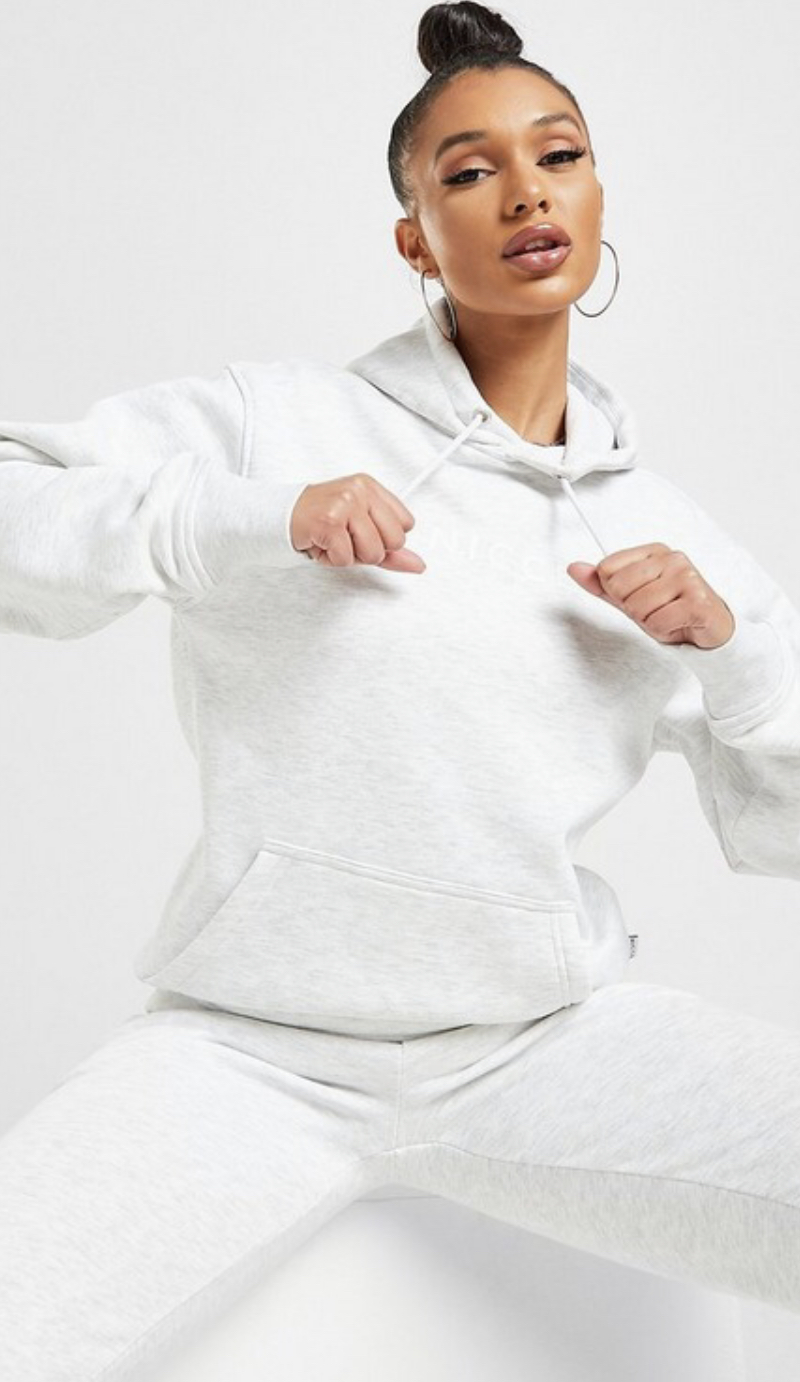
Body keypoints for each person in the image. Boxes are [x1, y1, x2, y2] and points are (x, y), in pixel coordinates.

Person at [2, 2, 800, 1376]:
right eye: (469, 171)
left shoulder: (666, 532)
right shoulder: (275, 423)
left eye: (559, 155)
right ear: (415, 238)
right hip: (243, 1053)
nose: (527, 191)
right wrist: (250, 520)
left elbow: (778, 822)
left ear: (597, 197)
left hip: (542, 1045)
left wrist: (735, 655)